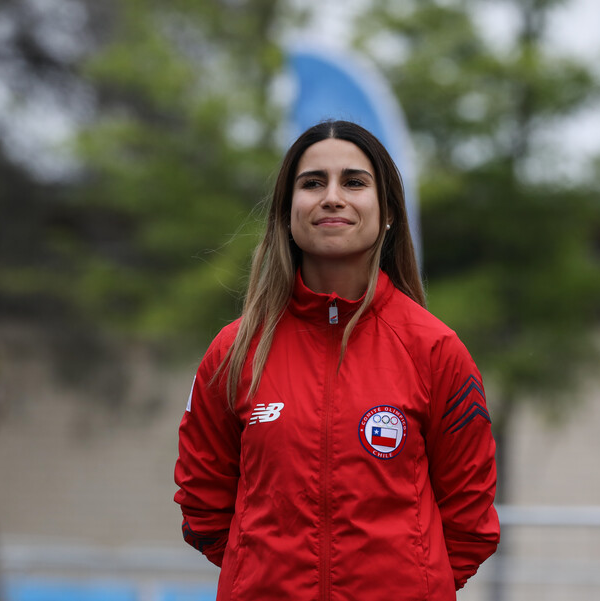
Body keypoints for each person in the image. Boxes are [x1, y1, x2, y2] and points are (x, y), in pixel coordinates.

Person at [173, 120, 499, 600]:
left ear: (387, 211)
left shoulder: (435, 350)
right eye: (312, 183)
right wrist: (258, 571)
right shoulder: (234, 351)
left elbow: (470, 518)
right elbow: (202, 499)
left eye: (353, 182)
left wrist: (413, 582)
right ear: (288, 212)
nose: (331, 197)